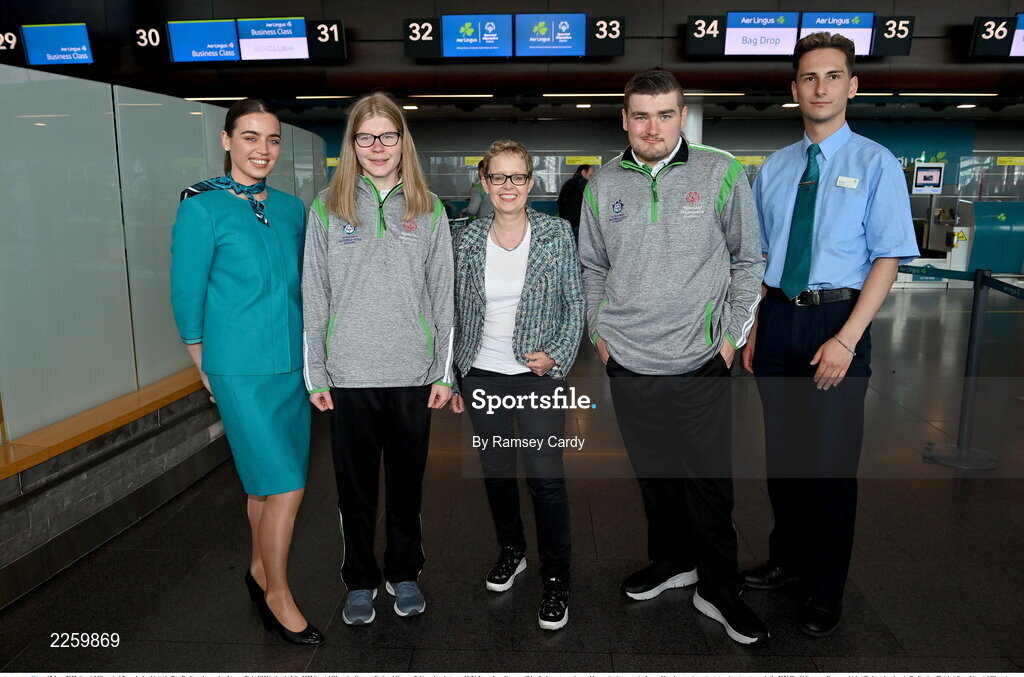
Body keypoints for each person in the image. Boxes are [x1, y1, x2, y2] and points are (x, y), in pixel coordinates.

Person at [578, 68, 768, 645]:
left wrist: (731, 336)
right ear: (625, 119)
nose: (652, 126)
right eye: (641, 115)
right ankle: (670, 561)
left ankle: (718, 584)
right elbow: (589, 267)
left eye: (664, 115)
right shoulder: (602, 185)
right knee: (655, 475)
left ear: (681, 116)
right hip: (629, 359)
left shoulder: (720, 173)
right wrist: (599, 334)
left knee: (709, 481)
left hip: (700, 358)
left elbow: (748, 260)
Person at [742, 32, 919, 637]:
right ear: (795, 89)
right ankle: (787, 559)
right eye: (809, 78)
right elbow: (763, 253)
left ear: (852, 84)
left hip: (836, 321)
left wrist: (846, 339)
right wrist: (752, 328)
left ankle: (826, 585)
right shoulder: (775, 167)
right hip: (780, 321)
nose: (820, 88)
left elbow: (888, 258)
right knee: (784, 461)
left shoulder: (876, 164)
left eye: (832, 76)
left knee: (832, 466)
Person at [170, 99, 323, 646]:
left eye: (273, 139)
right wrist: (203, 366)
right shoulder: (201, 208)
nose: (263, 149)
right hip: (238, 369)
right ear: (227, 140)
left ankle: (260, 572)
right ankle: (278, 595)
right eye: (251, 137)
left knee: (263, 487)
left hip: (290, 366)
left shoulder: (290, 208)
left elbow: (308, 286)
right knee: (286, 485)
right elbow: (186, 294)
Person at [301, 92, 454, 626]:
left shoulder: (428, 207)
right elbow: (314, 293)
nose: (377, 147)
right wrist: (316, 373)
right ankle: (361, 579)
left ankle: (404, 572)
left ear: (402, 141)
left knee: (407, 487)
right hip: (349, 375)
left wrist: (444, 371)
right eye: (365, 137)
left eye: (387, 136)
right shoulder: (328, 206)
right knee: (356, 493)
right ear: (353, 144)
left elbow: (443, 293)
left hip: (412, 372)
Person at [449, 140, 585, 631]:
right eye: (498, 177)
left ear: (531, 182)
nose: (508, 187)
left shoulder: (556, 233)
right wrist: (453, 376)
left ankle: (557, 577)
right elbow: (451, 314)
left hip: (536, 375)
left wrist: (558, 356)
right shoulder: (464, 238)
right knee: (497, 469)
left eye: (518, 177)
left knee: (545, 476)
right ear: (484, 182)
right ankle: (512, 550)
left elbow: (575, 303)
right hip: (481, 372)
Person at [556, 163, 595, 240]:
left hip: (566, 223)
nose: (591, 179)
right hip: (578, 224)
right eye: (590, 176)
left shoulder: (568, 183)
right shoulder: (584, 184)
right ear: (583, 172)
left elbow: (560, 201)